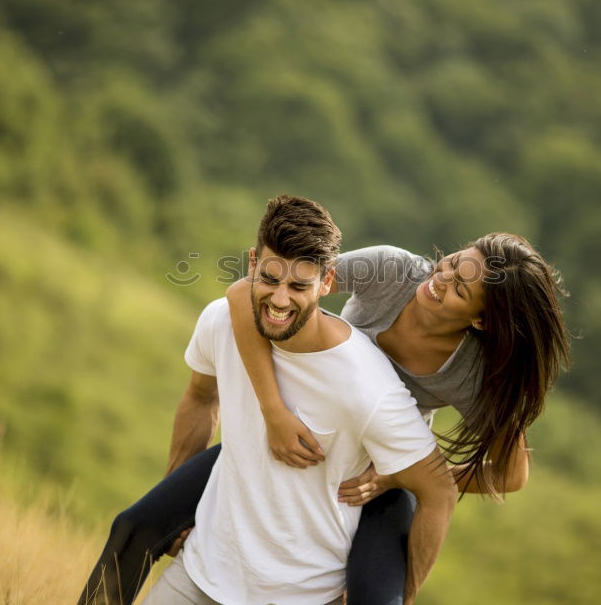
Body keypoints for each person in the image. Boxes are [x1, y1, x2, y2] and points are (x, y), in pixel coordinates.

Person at [79, 199, 571, 605]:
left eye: (459, 288)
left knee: (378, 600)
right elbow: (252, 292)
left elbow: (511, 475)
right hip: (301, 419)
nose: (438, 279)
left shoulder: (473, 373)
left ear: (482, 320)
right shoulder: (393, 269)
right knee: (136, 526)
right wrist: (273, 412)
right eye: (448, 264)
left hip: (376, 470)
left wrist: (396, 475)